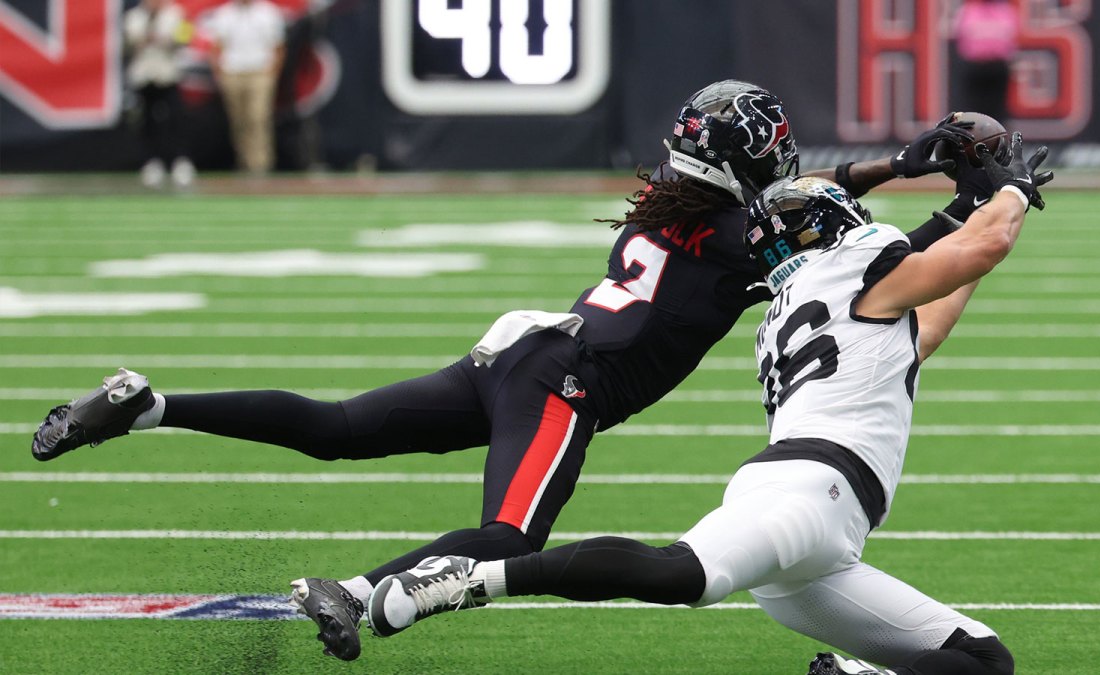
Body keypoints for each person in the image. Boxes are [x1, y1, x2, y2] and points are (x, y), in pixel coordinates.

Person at [31, 81, 987, 662]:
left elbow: (793, 200)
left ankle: (151, 404)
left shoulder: (669, 206)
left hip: (521, 347)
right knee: (507, 533)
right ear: (744, 164)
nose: (786, 159)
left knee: (338, 426)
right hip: (566, 382)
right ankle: (362, 591)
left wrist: (899, 164)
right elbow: (817, 217)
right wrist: (925, 178)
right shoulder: (745, 238)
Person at [361, 139, 1053, 674]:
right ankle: (465, 580)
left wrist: (979, 209)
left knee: (983, 660)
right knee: (680, 573)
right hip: (809, 497)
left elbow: (923, 328)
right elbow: (985, 243)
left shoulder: (806, 297)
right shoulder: (852, 267)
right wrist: (1008, 190)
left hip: (819, 538)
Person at [123, 0, 195, 187]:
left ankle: (180, 162)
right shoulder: (134, 16)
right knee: (146, 122)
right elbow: (127, 44)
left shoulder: (175, 14)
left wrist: (167, 39)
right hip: (143, 75)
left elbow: (186, 37)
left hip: (167, 74)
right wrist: (143, 39)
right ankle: (152, 163)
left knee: (176, 119)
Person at [207, 0, 285, 173]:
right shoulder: (225, 13)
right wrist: (220, 73)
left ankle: (260, 165)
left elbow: (278, 47)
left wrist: (271, 74)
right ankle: (243, 163)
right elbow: (216, 47)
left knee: (258, 118)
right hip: (233, 72)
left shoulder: (268, 12)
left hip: (259, 72)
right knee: (238, 120)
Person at [953, 0, 1019, 122]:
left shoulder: (1004, 10)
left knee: (997, 110)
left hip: (996, 67)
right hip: (975, 68)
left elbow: (1011, 39)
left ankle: (996, 138)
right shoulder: (969, 10)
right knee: (972, 110)